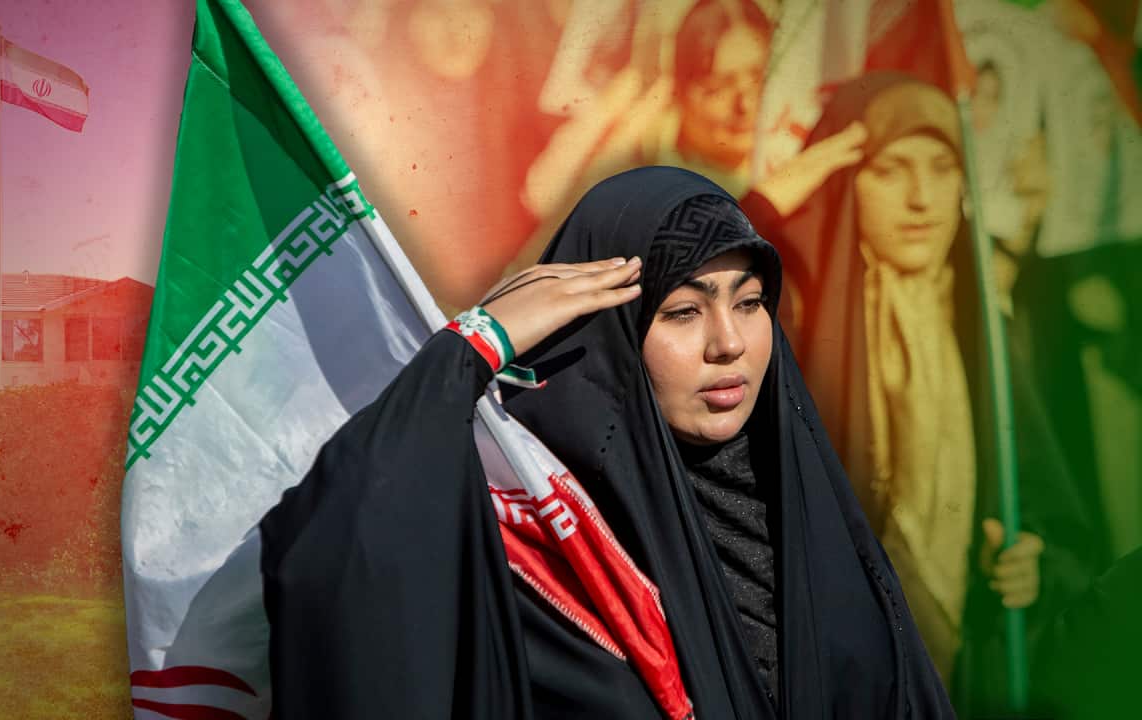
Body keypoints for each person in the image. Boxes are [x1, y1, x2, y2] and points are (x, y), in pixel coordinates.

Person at [260, 166, 953, 718]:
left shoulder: (805, 511)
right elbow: (346, 546)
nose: (730, 344)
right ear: (607, 340)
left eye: (749, 303)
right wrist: (470, 349)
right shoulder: (544, 549)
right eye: (682, 311)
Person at [740, 72, 1103, 714]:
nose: (921, 198)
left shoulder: (989, 328)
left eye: (942, 167)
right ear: (848, 182)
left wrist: (1035, 563)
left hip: (973, 675)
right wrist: (763, 207)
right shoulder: (792, 318)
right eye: (890, 170)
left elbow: (1062, 518)